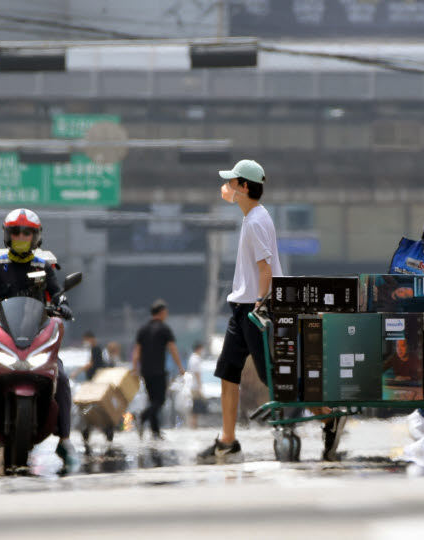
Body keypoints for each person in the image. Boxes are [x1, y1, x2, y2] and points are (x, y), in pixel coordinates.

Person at [199, 159, 346, 464]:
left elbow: (265, 267)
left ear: (245, 187)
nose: (228, 187)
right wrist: (229, 191)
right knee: (228, 371)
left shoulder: (255, 222)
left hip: (255, 308)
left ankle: (328, 418)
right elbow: (228, 192)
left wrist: (260, 304)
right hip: (240, 308)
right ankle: (227, 441)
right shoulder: (253, 213)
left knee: (278, 378)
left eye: (234, 183)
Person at [0, 208, 78, 469]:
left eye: (27, 232)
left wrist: (63, 304)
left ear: (36, 236)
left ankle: (64, 439)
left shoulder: (43, 267)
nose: (21, 236)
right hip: (3, 334)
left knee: (60, 373)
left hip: (35, 335)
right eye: (16, 231)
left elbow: (58, 293)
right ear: (7, 234)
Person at [132, 299, 184, 440]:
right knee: (159, 400)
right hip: (158, 371)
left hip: (146, 371)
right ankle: (143, 417)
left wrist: (135, 368)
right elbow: (173, 349)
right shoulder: (164, 329)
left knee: (152, 400)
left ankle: (155, 432)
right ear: (161, 312)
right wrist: (180, 367)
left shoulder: (143, 329)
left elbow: (137, 350)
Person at [71, 331, 115, 447]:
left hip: (96, 384)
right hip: (95, 383)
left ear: (90, 338)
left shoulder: (96, 349)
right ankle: (94, 429)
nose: (85, 342)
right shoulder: (96, 349)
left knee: (92, 405)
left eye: (86, 339)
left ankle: (100, 429)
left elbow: (92, 364)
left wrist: (77, 371)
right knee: (91, 406)